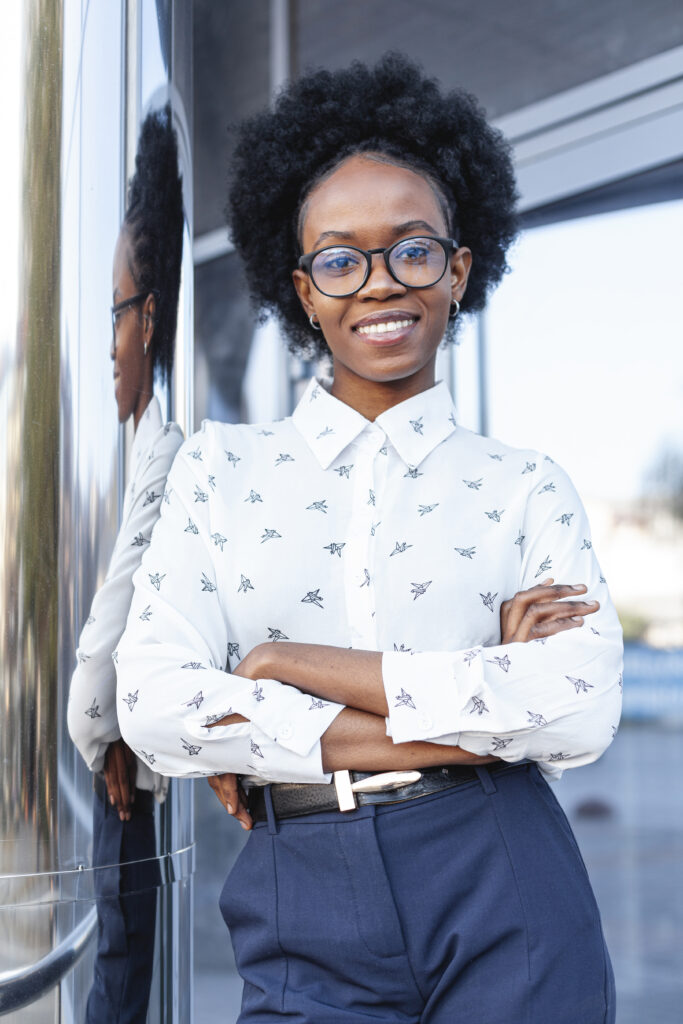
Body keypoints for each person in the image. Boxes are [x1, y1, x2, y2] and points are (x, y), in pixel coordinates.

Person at [117, 55, 622, 1023]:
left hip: (504, 876)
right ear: (302, 287)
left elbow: (581, 704)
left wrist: (283, 668)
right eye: (340, 258)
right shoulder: (219, 471)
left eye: (413, 249)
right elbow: (152, 701)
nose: (379, 283)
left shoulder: (521, 486)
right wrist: (483, 696)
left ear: (458, 268)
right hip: (300, 889)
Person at [67, 104, 184, 1024]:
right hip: (126, 760)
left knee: (117, 972)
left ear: (146, 318)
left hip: (128, 772)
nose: (106, 347)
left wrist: (97, 724)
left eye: (111, 316)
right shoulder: (144, 439)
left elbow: (125, 596)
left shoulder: (169, 444)